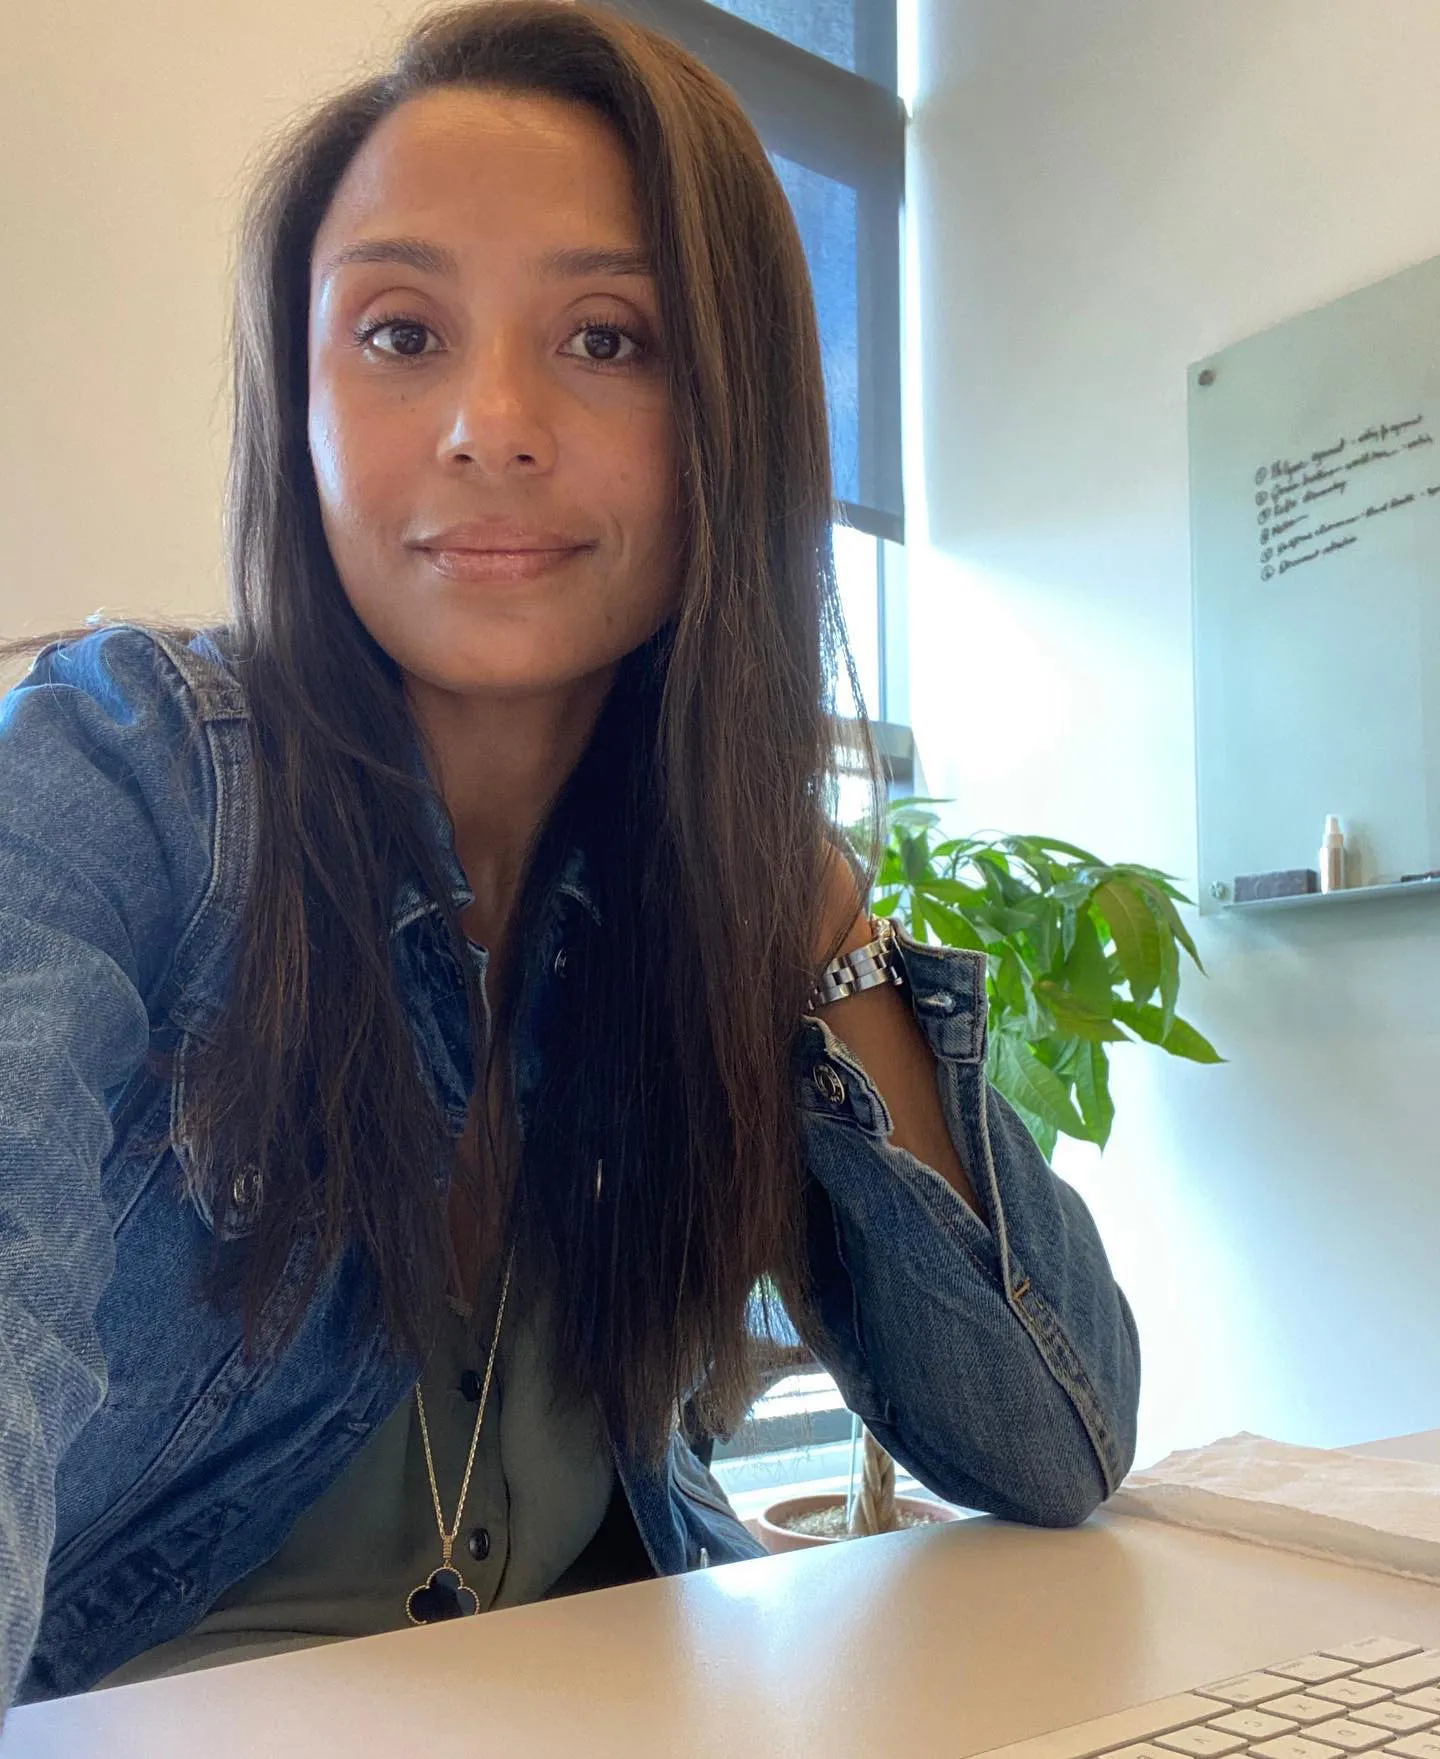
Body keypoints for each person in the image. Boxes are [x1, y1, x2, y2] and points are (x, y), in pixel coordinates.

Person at [0, 0, 1140, 1720]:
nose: (491, 423)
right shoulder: (122, 776)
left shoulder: (702, 888)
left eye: (607, 338)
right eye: (400, 331)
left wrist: (798, 887)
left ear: (732, 420)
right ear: (301, 404)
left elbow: (1053, 1437)